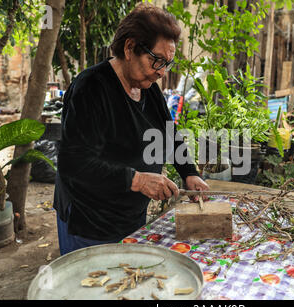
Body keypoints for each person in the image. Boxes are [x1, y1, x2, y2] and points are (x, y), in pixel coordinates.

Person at [53, 3, 209, 256]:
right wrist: (136, 180)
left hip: (129, 214)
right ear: (129, 47)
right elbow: (74, 163)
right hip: (90, 219)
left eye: (166, 64)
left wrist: (188, 172)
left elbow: (169, 134)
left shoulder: (149, 89)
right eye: (156, 60)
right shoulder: (90, 88)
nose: (160, 72)